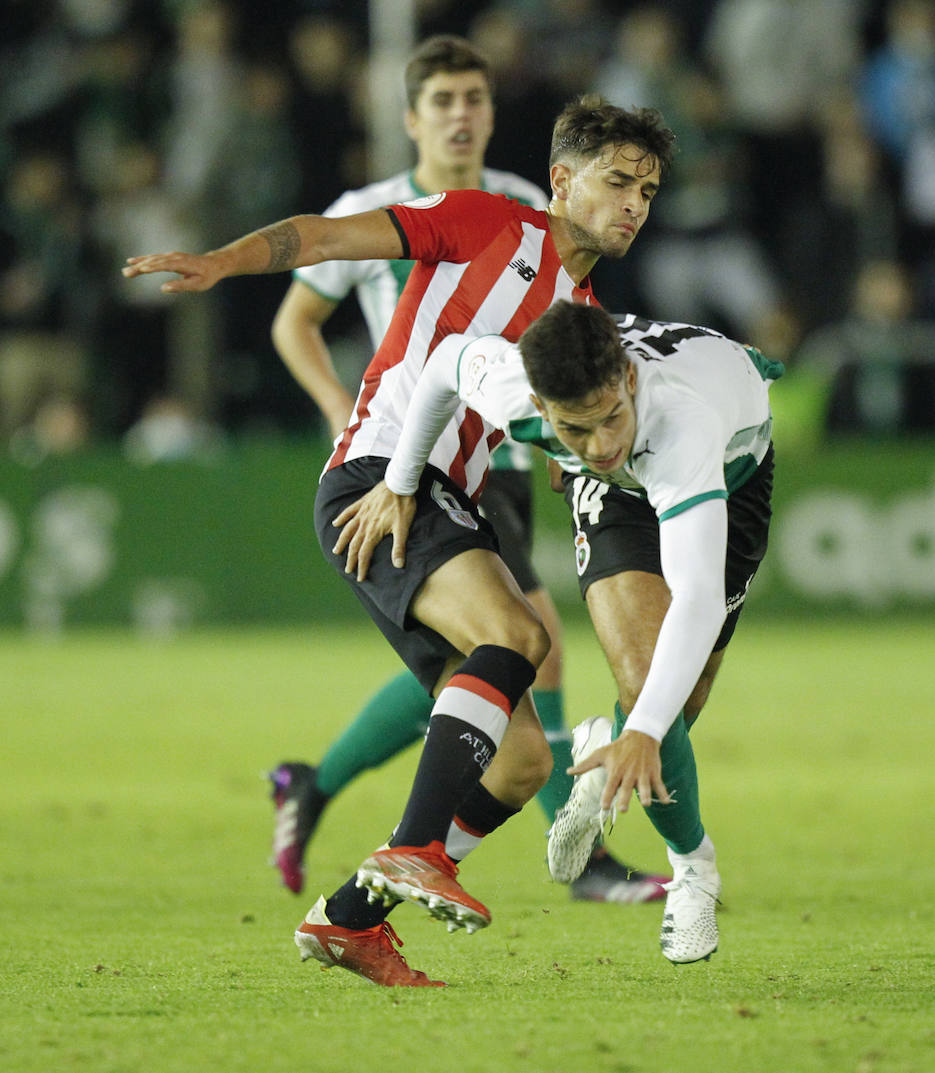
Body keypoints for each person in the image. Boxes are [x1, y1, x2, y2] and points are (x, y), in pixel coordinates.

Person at [123, 95, 676, 987]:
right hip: (378, 479)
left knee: (527, 757)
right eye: (618, 182)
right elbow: (328, 238)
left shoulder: (581, 311)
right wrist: (223, 262)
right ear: (563, 180)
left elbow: (565, 437)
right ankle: (418, 847)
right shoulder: (485, 222)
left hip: (446, 496)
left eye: (648, 190)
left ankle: (349, 918)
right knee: (522, 638)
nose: (635, 205)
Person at [265, 35, 664, 905]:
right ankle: (558, 846)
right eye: (442, 100)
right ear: (411, 118)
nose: (461, 114)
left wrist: (564, 442)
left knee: (492, 678)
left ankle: (355, 885)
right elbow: (301, 319)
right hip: (396, 453)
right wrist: (348, 419)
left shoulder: (532, 206)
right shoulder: (387, 208)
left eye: (475, 98)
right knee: (524, 644)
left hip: (493, 456)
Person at [351, 301, 781, 965]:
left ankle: (609, 741)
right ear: (541, 409)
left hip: (732, 472)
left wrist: (640, 733)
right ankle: (694, 871)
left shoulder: (681, 424)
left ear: (630, 382)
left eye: (612, 416)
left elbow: (695, 598)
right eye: (576, 428)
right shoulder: (512, 386)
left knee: (677, 707)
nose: (602, 442)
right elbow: (441, 367)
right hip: (617, 500)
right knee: (648, 693)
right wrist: (400, 481)